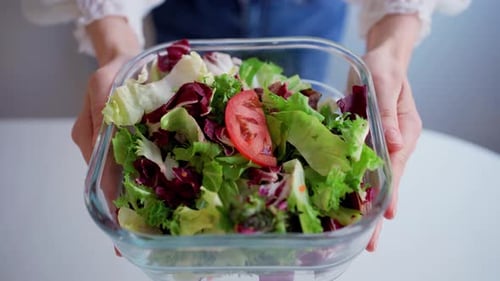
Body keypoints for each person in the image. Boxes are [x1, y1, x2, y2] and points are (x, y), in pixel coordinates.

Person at [23, 0, 470, 251]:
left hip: (308, 11)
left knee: (306, 117)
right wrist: (116, 45)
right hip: (188, 9)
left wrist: (390, 50)